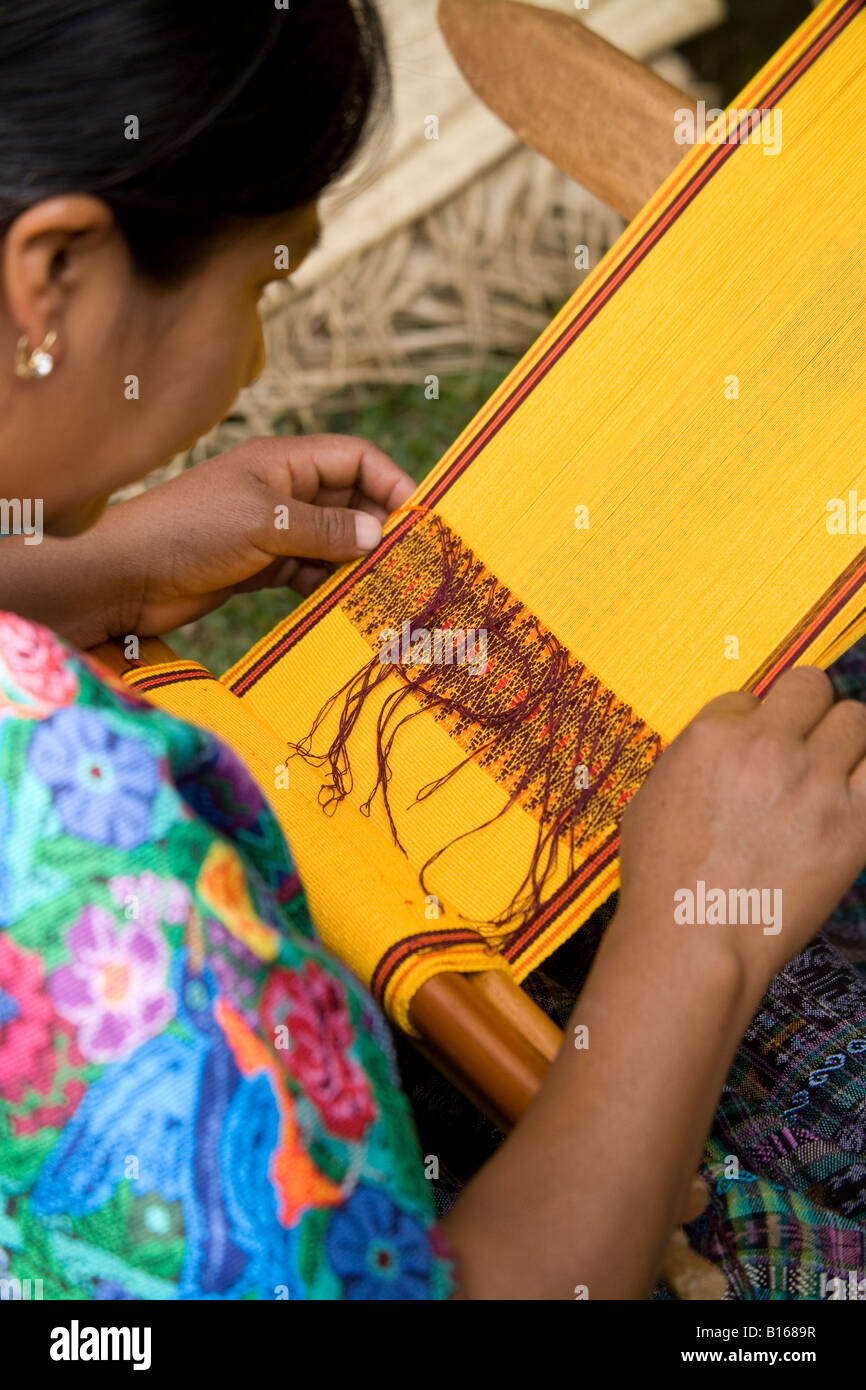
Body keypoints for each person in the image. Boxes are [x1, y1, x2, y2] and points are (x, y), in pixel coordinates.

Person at [0, 0, 864, 1301]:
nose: (251, 358)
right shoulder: (113, 903)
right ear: (48, 279)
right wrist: (693, 933)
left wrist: (76, 576)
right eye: (257, 282)